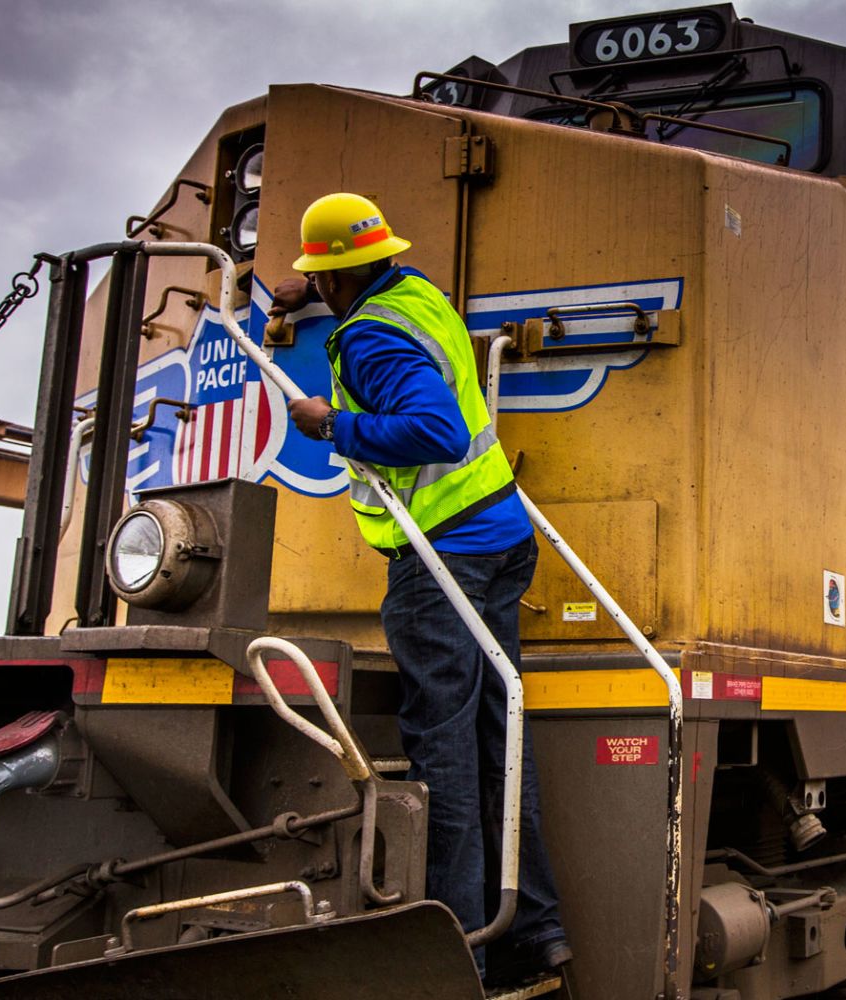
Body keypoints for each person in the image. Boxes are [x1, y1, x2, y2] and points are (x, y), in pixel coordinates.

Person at [273, 191, 570, 983]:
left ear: (336, 277)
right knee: (496, 738)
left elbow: (434, 427)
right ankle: (538, 928)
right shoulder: (417, 295)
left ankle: (461, 949)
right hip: (502, 538)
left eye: (320, 276)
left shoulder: (367, 337)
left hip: (444, 560)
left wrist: (331, 423)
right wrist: (307, 293)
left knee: (444, 752)